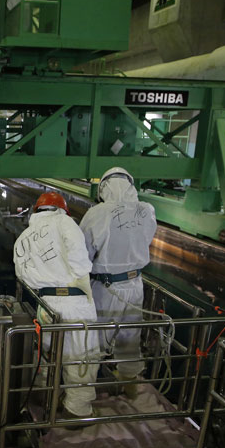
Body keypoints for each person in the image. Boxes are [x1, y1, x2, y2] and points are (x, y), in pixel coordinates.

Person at [14, 191, 100, 418]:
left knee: (46, 353)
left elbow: (23, 276)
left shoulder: (23, 238)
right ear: (62, 209)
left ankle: (44, 395)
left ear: (36, 212)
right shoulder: (66, 223)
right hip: (75, 301)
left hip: (47, 303)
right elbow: (81, 262)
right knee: (82, 356)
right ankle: (77, 410)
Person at [80, 168, 157, 398]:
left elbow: (83, 252)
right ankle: (129, 382)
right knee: (131, 336)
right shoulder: (147, 210)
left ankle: (84, 392)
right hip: (136, 285)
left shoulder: (97, 213)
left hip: (106, 287)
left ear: (104, 188)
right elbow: (146, 239)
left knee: (96, 339)